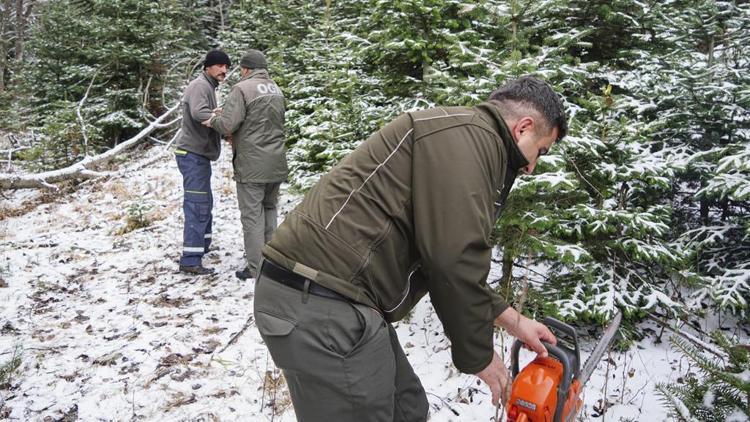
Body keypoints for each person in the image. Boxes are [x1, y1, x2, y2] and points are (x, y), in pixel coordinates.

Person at [254, 75, 568, 421]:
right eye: (540, 151)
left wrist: (513, 320)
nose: (532, 167)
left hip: (340, 297)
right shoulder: (468, 141)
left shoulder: (466, 136)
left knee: (406, 409)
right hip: (319, 299)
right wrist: (480, 357)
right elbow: (453, 259)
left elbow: (443, 252)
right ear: (523, 127)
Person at [204, 49, 287, 281]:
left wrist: (214, 120)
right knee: (270, 210)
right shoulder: (276, 90)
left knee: (252, 216)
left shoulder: (242, 89)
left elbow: (228, 125)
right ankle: (272, 262)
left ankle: (255, 267)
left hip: (252, 164)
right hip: (277, 162)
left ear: (247, 69)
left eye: (240, 69)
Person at [174, 49, 230, 275]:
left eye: (226, 67)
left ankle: (201, 246)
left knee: (204, 201)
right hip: (192, 154)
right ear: (208, 67)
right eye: (219, 66)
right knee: (197, 204)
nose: (223, 70)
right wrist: (223, 124)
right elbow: (199, 113)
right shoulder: (200, 86)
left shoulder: (208, 86)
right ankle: (190, 260)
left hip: (199, 155)